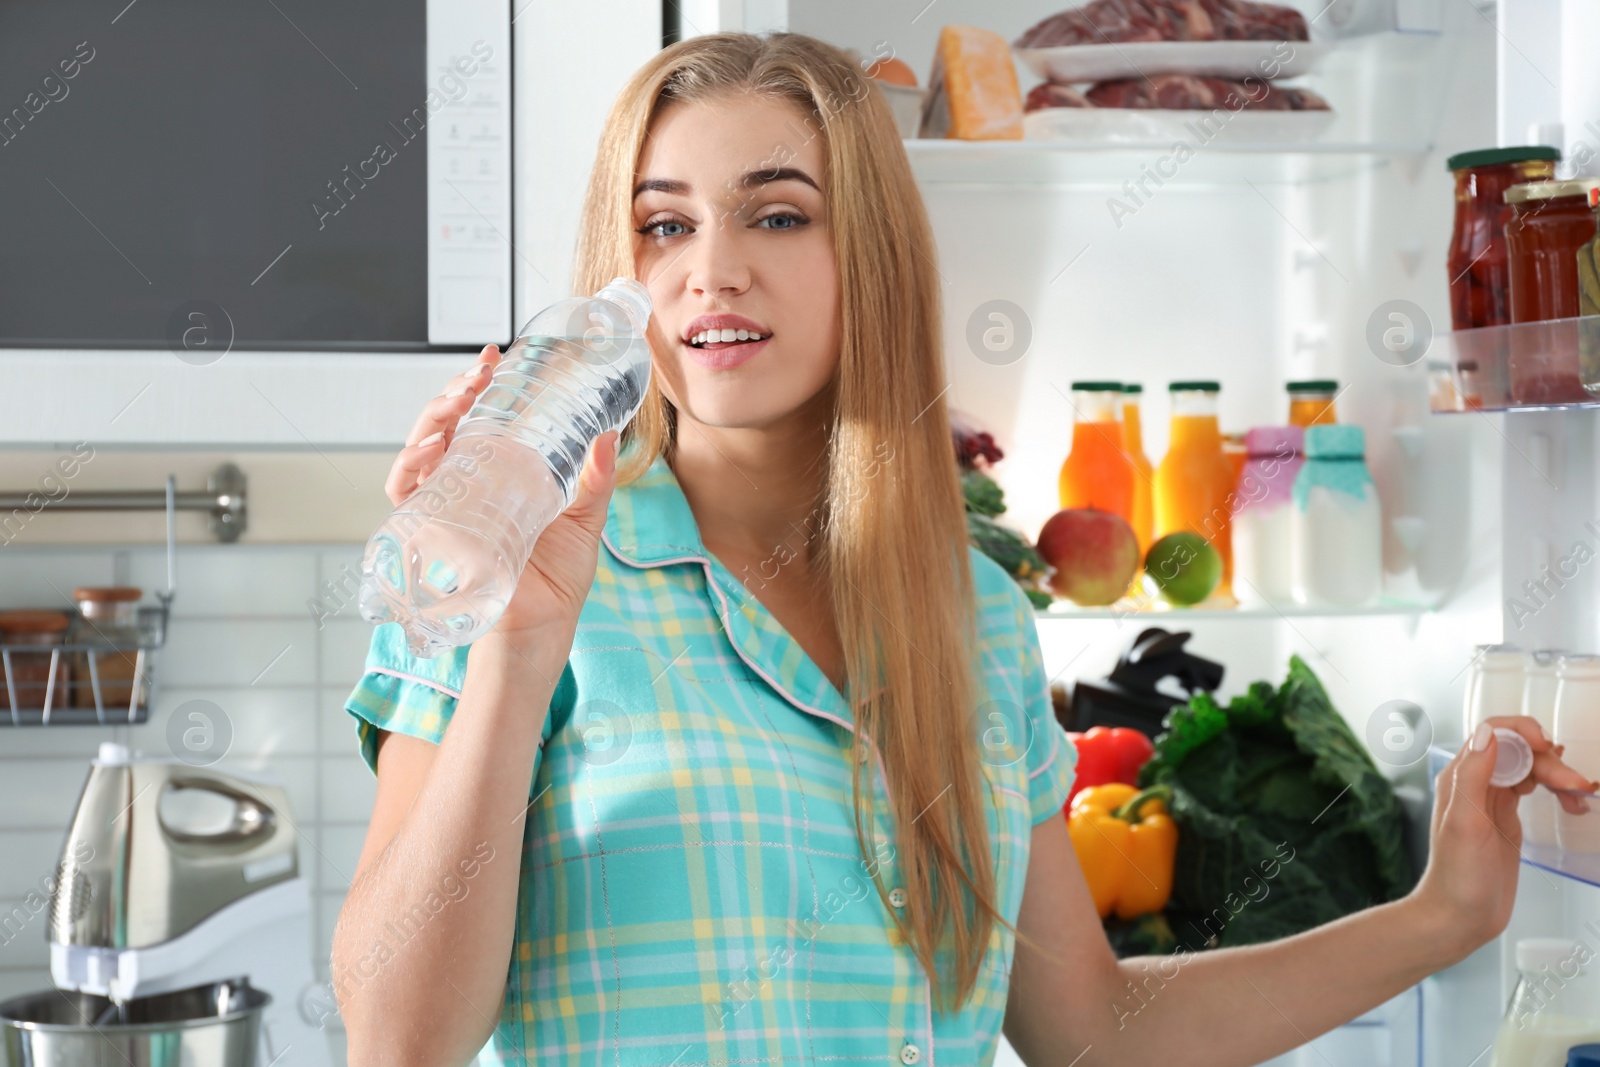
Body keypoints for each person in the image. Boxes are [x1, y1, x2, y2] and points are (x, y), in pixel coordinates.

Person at [330, 30, 1598, 1067]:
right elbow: (397, 1039)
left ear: (869, 258)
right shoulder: (510, 566)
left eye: (776, 217)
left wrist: (1444, 914)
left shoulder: (975, 619)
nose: (710, 273)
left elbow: (1092, 1029)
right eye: (665, 227)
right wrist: (519, 642)